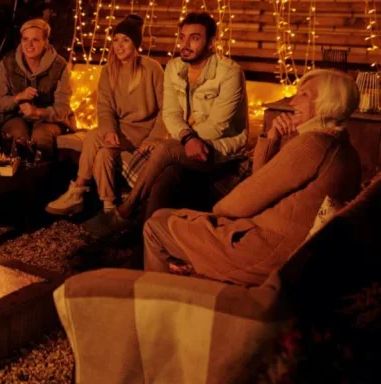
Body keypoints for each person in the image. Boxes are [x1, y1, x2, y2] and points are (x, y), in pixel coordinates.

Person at [143, 69, 361, 286]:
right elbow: (261, 180)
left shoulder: (312, 144)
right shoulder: (343, 147)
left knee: (157, 224)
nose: (293, 101)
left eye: (304, 95)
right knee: (178, 212)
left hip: (263, 252)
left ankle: (157, 302)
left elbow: (239, 203)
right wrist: (271, 137)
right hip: (283, 248)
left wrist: (212, 217)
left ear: (327, 102)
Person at [84, 12, 249, 237]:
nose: (185, 44)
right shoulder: (174, 68)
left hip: (220, 150)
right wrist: (185, 137)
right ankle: (147, 237)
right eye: (182, 37)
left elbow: (218, 126)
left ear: (211, 43)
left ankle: (125, 210)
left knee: (166, 149)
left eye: (194, 38)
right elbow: (170, 113)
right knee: (165, 176)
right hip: (185, 144)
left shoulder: (230, 73)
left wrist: (183, 138)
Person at [45, 15, 166, 215]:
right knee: (103, 154)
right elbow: (105, 107)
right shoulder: (109, 71)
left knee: (92, 136)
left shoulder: (151, 68)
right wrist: (109, 130)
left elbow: (167, 108)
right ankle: (109, 208)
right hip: (121, 129)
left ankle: (77, 190)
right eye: (116, 40)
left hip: (144, 131)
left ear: (135, 44)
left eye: (125, 40)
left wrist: (155, 137)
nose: (119, 45)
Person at [0, 18, 76, 158]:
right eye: (25, 39)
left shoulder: (59, 65)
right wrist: (17, 98)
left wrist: (37, 112)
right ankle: (14, 176)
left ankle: (41, 177)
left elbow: (62, 109)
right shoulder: (8, 63)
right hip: (15, 117)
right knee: (18, 135)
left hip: (49, 120)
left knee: (41, 137)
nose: (29, 45)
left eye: (35, 40)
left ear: (45, 42)